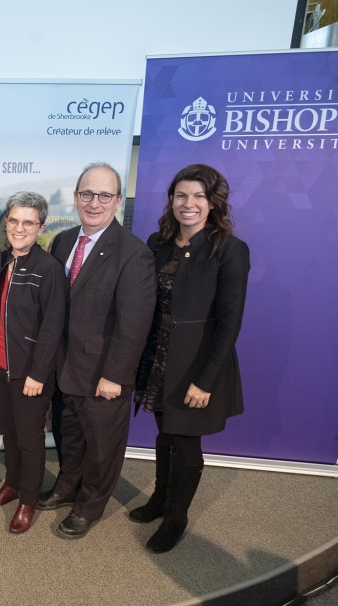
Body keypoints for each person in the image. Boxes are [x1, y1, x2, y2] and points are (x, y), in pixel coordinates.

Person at [130, 164, 250, 553]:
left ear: (213, 203)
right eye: (181, 195)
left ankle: (176, 518)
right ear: (171, 200)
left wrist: (205, 381)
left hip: (195, 366)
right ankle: (160, 500)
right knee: (165, 434)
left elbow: (229, 325)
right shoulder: (158, 242)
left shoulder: (229, 250)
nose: (189, 203)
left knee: (185, 442)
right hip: (158, 359)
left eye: (199, 196)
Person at [40, 162, 156, 540]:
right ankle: (66, 486)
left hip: (103, 373)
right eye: (87, 194)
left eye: (104, 195)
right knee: (69, 436)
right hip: (65, 367)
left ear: (118, 200)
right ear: (76, 197)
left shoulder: (134, 254)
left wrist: (115, 375)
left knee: (103, 447)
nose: (94, 203)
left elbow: (134, 324)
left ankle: (89, 506)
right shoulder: (62, 241)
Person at [0, 192, 67, 534]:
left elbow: (53, 327)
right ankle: (12, 484)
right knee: (10, 434)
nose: (20, 228)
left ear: (41, 227)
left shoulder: (48, 269)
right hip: (1, 369)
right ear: (6, 222)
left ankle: (28, 500)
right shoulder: (2, 260)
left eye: (28, 222)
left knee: (30, 441)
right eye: (14, 220)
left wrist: (38, 373)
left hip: (30, 374)